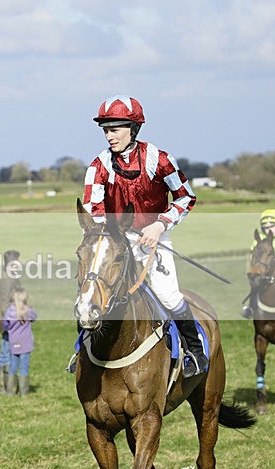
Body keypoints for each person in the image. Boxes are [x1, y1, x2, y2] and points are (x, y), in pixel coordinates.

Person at [82, 95, 207, 378]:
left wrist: (160, 224)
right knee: (91, 292)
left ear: (133, 128)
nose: (108, 135)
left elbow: (186, 196)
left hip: (153, 240)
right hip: (115, 244)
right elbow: (93, 209)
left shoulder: (160, 160)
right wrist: (113, 236)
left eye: (114, 129)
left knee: (167, 294)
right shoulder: (98, 165)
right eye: (105, 129)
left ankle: (195, 352)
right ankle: (83, 352)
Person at [0, 250, 22, 394]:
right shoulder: (8, 280)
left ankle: (6, 387)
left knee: (7, 352)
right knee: (8, 354)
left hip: (8, 322)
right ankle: (8, 388)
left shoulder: (9, 277)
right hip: (10, 323)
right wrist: (14, 322)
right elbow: (5, 303)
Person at [2, 287, 38, 396]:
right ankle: (24, 392)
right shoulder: (28, 311)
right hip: (26, 344)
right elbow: (35, 317)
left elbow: (5, 325)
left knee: (13, 366)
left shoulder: (9, 312)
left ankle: (11, 391)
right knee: (24, 367)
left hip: (14, 343)